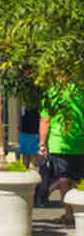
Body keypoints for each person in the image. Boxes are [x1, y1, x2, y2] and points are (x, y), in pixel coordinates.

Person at [38, 78, 84, 225]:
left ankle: (69, 215)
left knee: (64, 178)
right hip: (80, 140)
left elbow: (45, 120)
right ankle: (79, 212)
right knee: (79, 179)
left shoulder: (51, 92)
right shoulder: (80, 89)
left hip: (59, 142)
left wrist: (42, 144)